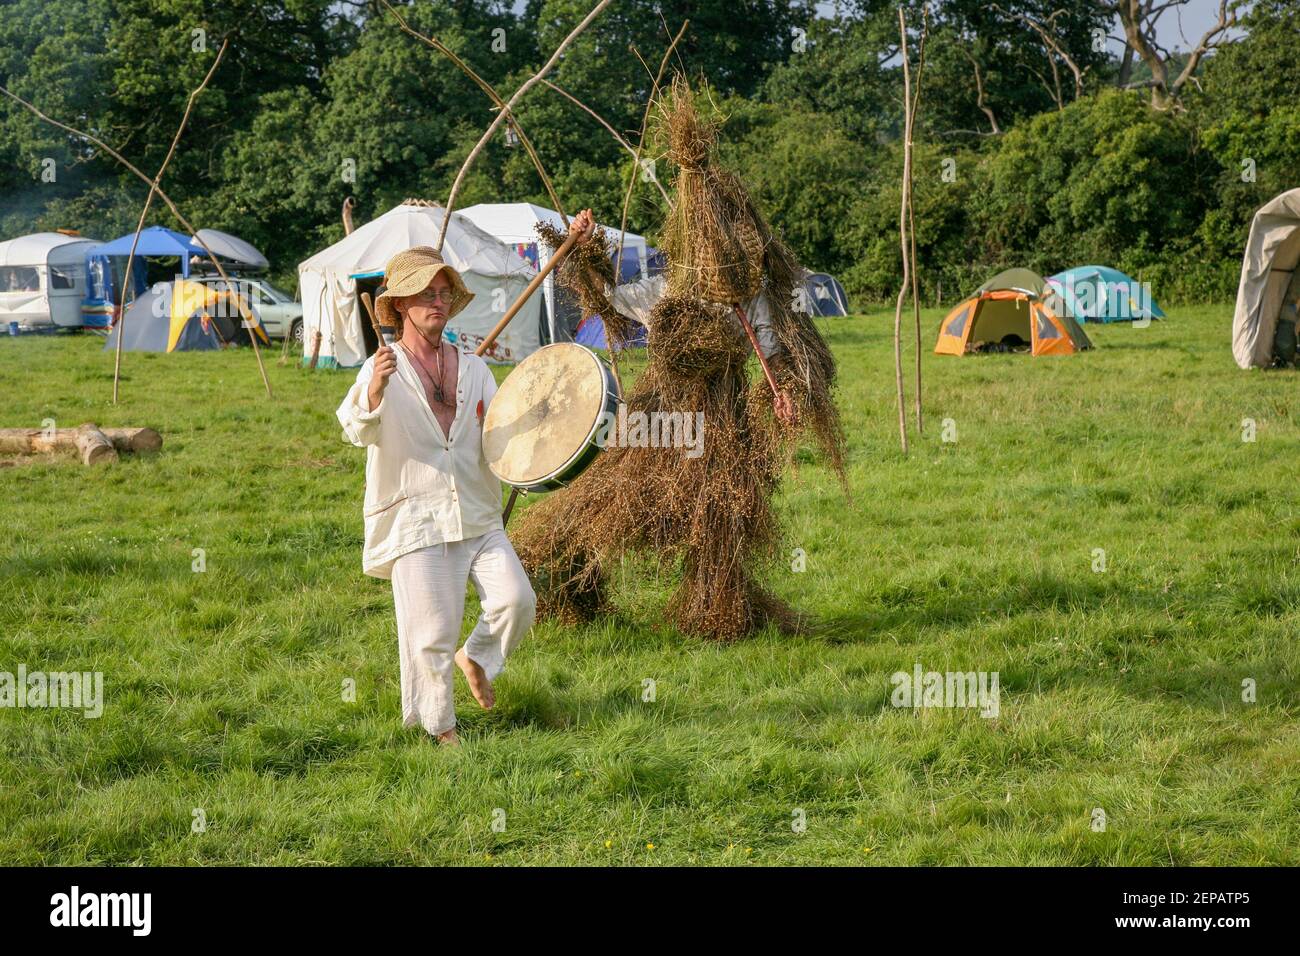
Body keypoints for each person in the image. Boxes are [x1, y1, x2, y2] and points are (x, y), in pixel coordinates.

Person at [334, 210, 596, 746]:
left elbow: (502, 434)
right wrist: (376, 393)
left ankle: (476, 657)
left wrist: (545, 431)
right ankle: (441, 729)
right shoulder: (381, 367)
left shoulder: (474, 368)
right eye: (426, 294)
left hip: (477, 512)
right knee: (429, 635)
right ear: (401, 305)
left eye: (443, 293)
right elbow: (354, 429)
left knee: (518, 601)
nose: (437, 302)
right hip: (416, 515)